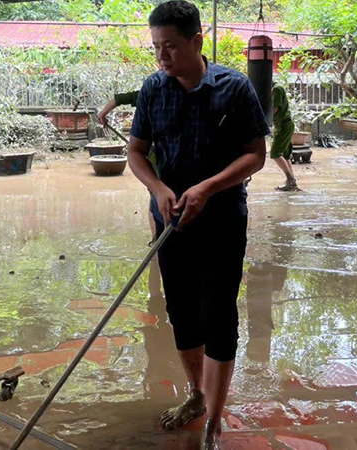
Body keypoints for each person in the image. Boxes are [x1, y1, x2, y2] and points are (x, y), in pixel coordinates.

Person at [127, 2, 268, 448]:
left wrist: (207, 187)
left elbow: (255, 154)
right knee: (182, 313)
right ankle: (196, 396)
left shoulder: (235, 87)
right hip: (171, 221)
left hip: (222, 220)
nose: (162, 57)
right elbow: (136, 151)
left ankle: (215, 418)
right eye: (156, 47)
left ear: (197, 41)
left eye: (170, 46)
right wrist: (157, 188)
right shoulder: (153, 89)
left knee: (219, 315)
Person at [98, 90, 159, 245]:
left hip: (153, 149)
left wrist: (103, 114)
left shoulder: (151, 91)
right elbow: (120, 99)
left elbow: (118, 99)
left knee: (155, 193)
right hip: (153, 150)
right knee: (156, 193)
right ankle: (157, 237)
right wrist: (103, 114)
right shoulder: (151, 91)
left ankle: (157, 237)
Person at [270, 83, 298, 191]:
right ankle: (291, 181)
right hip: (284, 124)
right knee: (285, 155)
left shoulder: (277, 89)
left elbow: (274, 109)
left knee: (275, 153)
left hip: (283, 125)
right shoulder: (276, 88)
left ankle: (290, 180)